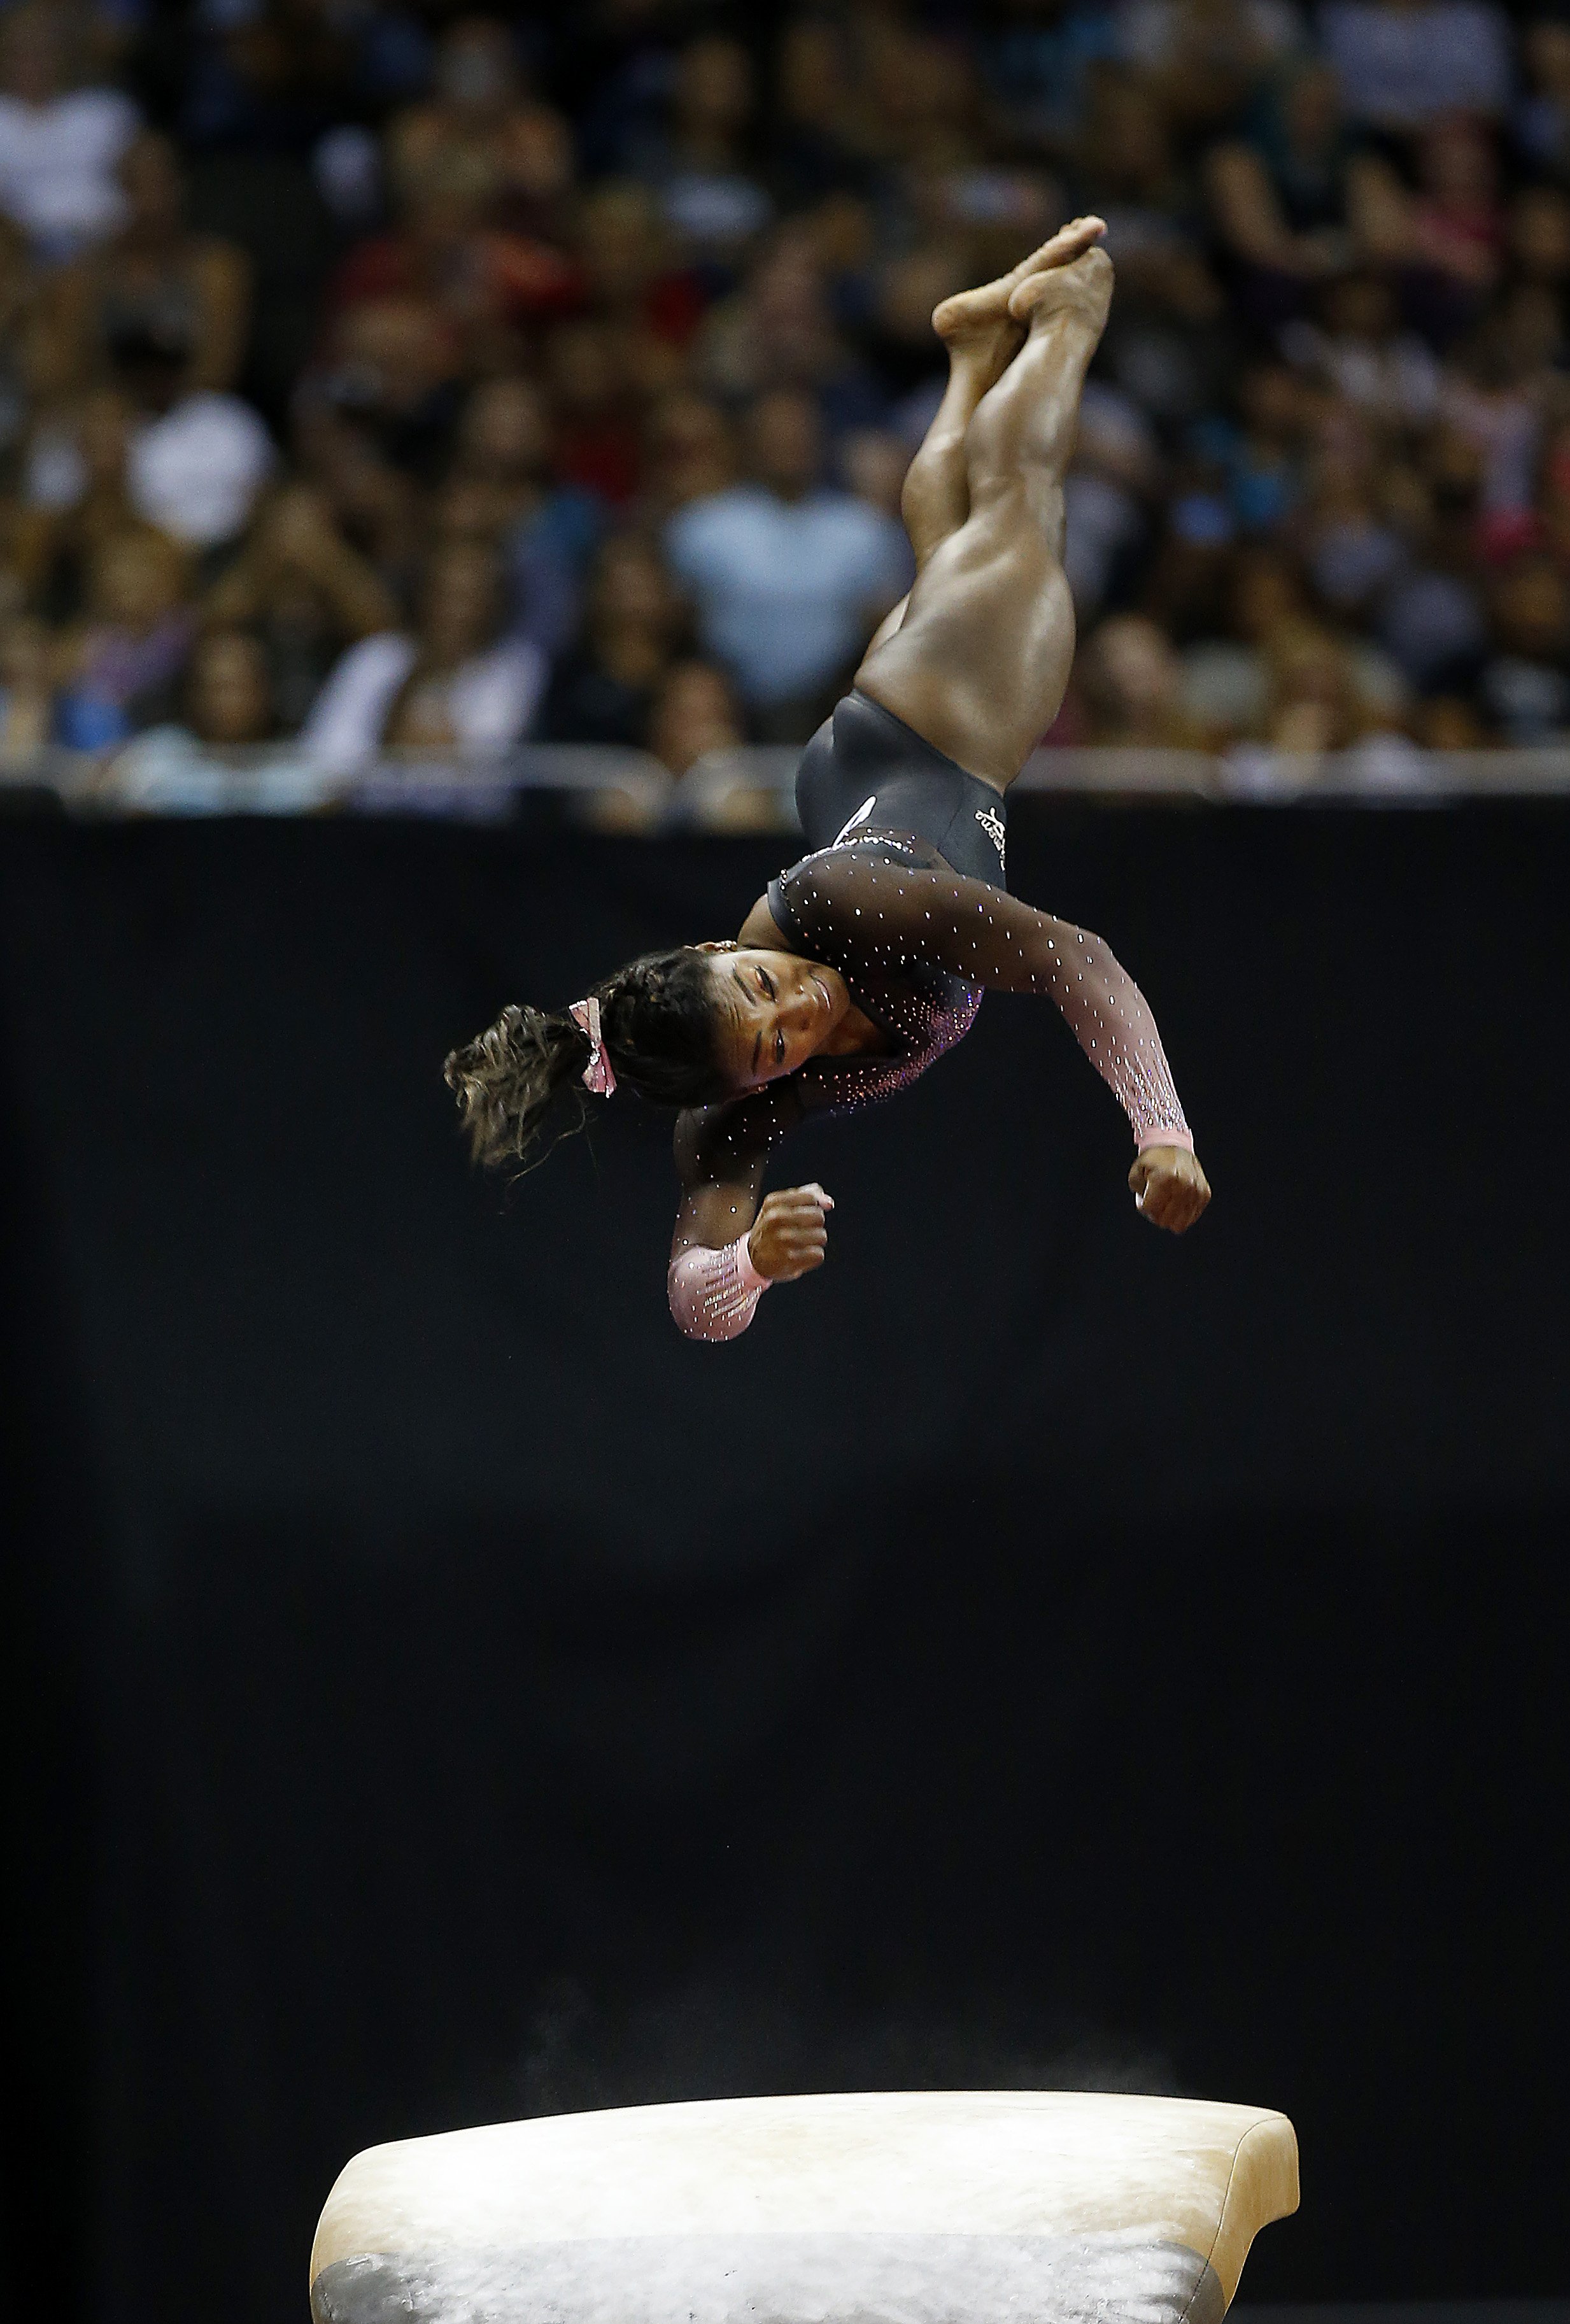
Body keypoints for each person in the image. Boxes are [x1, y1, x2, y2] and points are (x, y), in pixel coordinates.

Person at [444, 221, 1211, 1341]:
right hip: (855, 775)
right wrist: (746, 1262)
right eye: (773, 1047)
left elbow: (1072, 957)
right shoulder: (733, 1115)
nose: (797, 1012)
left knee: (1021, 509)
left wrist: (1162, 1129)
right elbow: (690, 1300)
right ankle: (963, 350)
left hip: (944, 733)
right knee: (952, 544)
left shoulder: (858, 915)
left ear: (719, 950)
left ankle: (1069, 311)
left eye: (762, 988)